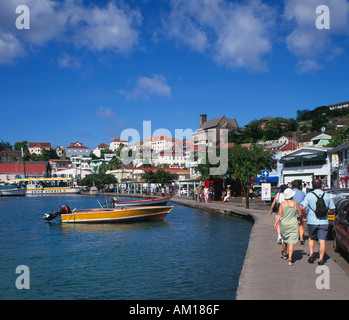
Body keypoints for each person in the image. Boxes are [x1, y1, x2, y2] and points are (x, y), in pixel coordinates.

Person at [301, 179, 335, 265]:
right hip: (324, 222)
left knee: (311, 238)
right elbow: (332, 209)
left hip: (312, 221)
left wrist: (304, 216)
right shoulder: (326, 195)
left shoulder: (309, 195)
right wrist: (325, 212)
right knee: (322, 240)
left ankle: (311, 255)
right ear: (321, 185)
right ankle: (321, 259)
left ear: (312, 185)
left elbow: (303, 207)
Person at [274, 188, 303, 266]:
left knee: (285, 240)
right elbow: (300, 214)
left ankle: (285, 254)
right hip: (293, 223)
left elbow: (279, 215)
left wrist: (275, 223)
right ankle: (290, 259)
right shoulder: (296, 203)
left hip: (284, 224)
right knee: (291, 242)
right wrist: (300, 220)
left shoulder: (282, 204)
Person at [291, 180, 306, 245]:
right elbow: (305, 204)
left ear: (292, 186)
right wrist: (305, 213)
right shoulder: (302, 193)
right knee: (300, 225)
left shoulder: (290, 193)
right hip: (300, 211)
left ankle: (293, 237)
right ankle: (301, 238)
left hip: (292, 211)